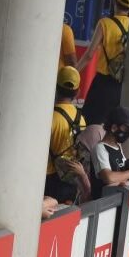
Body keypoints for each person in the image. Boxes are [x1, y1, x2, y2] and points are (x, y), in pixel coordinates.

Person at [78, 0, 129, 124]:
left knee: (90, 121)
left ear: (115, 2)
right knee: (112, 123)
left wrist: (75, 71)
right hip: (121, 85)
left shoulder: (105, 24)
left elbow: (89, 55)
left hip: (103, 83)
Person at [45, 67, 90, 204]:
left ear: (56, 87)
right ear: (78, 92)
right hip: (71, 178)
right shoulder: (81, 119)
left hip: (49, 179)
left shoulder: (49, 117)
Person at [91, 107, 129, 197]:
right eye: (126, 129)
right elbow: (109, 178)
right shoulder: (100, 148)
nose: (128, 133)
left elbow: (122, 169)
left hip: (116, 198)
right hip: (103, 201)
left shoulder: (117, 145)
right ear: (114, 128)